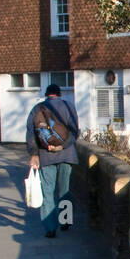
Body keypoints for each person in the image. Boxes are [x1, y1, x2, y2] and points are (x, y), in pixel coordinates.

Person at [26, 84, 80, 237]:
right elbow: (75, 131)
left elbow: (31, 133)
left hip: (45, 155)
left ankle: (50, 228)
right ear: (59, 94)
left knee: (47, 192)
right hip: (67, 154)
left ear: (47, 94)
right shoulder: (69, 107)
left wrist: (34, 154)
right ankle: (65, 222)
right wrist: (62, 147)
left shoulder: (37, 108)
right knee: (65, 190)